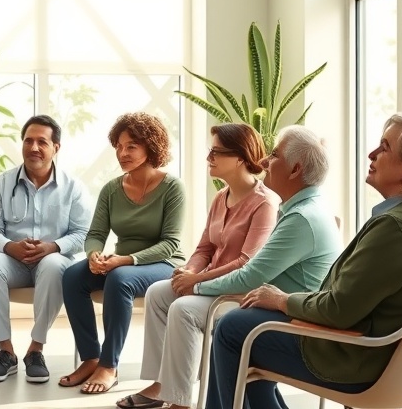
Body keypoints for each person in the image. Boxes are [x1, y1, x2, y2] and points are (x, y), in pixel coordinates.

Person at [205, 114, 402, 409]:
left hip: (357, 360)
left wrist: (282, 300)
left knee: (232, 328)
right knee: (250, 326)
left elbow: (337, 310)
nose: (371, 154)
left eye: (384, 147)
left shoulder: (396, 228)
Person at [121, 125, 340, 409]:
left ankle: (180, 400)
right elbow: (206, 248)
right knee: (159, 293)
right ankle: (165, 384)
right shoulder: (293, 209)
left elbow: (250, 271)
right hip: (264, 299)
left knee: (193, 313)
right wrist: (190, 273)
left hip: (278, 310)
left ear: (295, 169)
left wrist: (196, 283)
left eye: (274, 155)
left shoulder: (293, 215)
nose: (264, 162)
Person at [58, 112, 187, 395]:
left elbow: (171, 243)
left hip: (164, 263)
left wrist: (125, 261)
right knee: (72, 277)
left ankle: (109, 365)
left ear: (150, 147)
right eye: (118, 145)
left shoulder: (172, 188)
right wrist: (94, 255)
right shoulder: (111, 190)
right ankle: (90, 357)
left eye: (131, 146)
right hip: (119, 264)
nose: (122, 152)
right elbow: (95, 235)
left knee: (120, 279)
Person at [0, 115, 93, 384]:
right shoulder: (2, 184)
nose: (34, 148)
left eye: (42, 141)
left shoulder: (73, 188)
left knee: (55, 265)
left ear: (56, 148)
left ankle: (35, 350)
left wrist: (53, 246)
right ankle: (5, 352)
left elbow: (84, 234)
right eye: (28, 141)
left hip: (51, 263)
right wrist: (9, 246)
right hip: (12, 263)